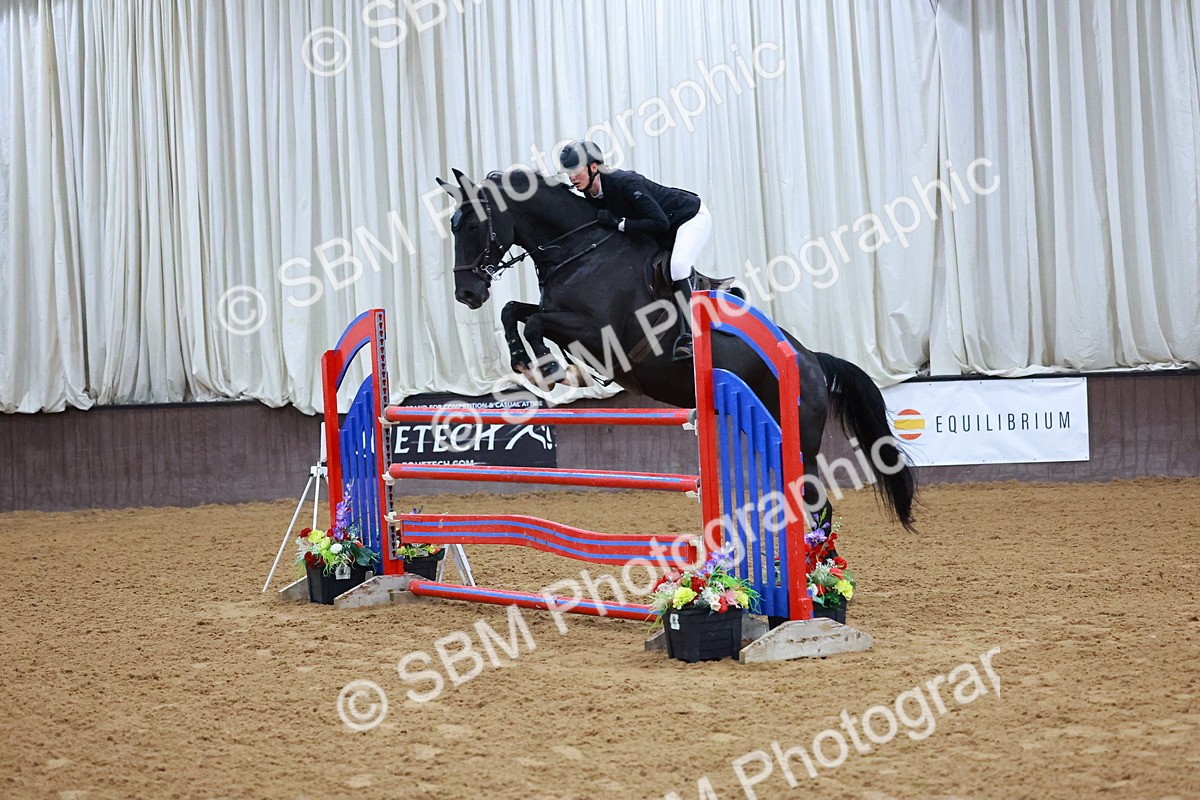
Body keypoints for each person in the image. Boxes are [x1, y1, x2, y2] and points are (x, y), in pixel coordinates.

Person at [557, 140, 712, 360]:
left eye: (575, 170)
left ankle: (690, 336)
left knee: (678, 267)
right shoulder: (591, 193)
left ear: (594, 167)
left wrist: (619, 223)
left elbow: (660, 223)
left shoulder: (625, 183)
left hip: (688, 218)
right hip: (660, 230)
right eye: (568, 172)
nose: (571, 177)